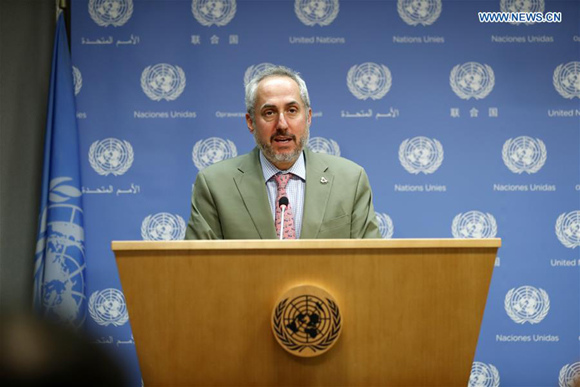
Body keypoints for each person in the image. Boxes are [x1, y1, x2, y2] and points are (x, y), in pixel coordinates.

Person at [185, 65, 381, 240]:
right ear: (251, 122)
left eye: (292, 110)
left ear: (309, 117)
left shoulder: (350, 180)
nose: (282, 124)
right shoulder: (214, 185)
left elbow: (372, 264)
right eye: (269, 113)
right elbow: (198, 269)